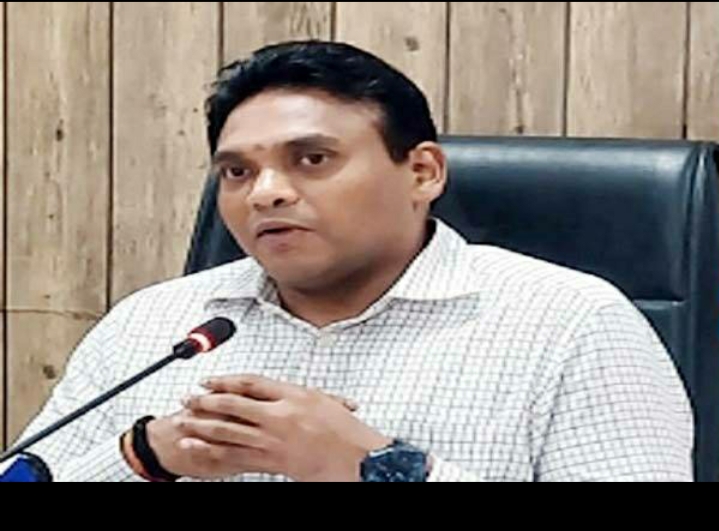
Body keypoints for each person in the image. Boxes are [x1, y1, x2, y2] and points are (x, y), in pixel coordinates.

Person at [17, 41, 693, 482]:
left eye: (312, 159)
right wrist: (146, 454)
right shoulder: (156, 324)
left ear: (422, 172)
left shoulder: (572, 324)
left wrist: (375, 467)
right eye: (236, 171)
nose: (266, 192)